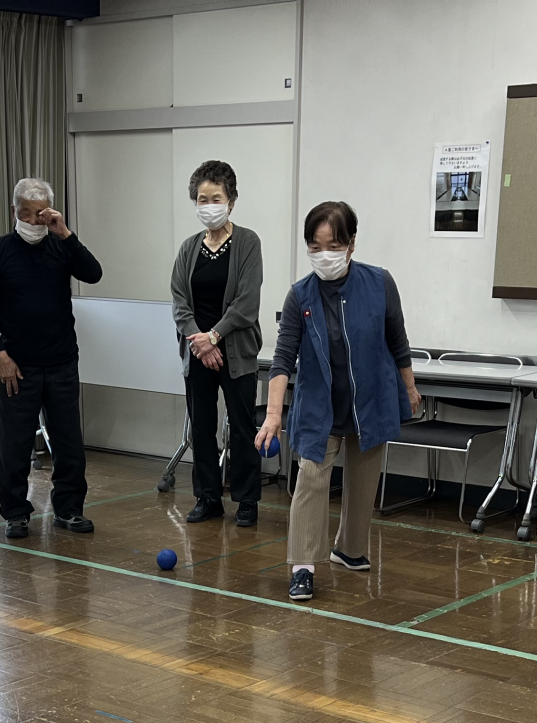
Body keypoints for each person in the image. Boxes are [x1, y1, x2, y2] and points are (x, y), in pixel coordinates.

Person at [254, 201, 418, 604]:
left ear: (351, 244)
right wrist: (273, 415)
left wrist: (410, 387)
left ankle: (349, 549)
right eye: (315, 246)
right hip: (319, 405)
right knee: (310, 479)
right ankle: (303, 566)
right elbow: (282, 359)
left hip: (370, 399)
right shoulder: (300, 295)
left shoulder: (379, 283)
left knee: (364, 480)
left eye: (333, 245)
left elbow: (397, 340)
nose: (324, 255)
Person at [0, 177, 103, 539]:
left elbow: (93, 274)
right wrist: (0, 354)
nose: (33, 221)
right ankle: (16, 513)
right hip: (17, 365)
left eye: (40, 214)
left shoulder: (61, 245)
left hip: (61, 362)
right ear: (13, 212)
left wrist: (65, 233)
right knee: (14, 443)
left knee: (68, 441)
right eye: (26, 213)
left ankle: (69, 509)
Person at [168, 160, 264, 526]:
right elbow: (179, 301)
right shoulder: (189, 248)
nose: (209, 206)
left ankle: (246, 500)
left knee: (242, 427)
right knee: (202, 427)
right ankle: (208, 497)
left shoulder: (248, 242)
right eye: (202, 199)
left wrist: (214, 337)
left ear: (231, 201)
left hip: (236, 351)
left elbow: (246, 303)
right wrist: (200, 342)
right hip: (197, 352)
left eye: (216, 198)